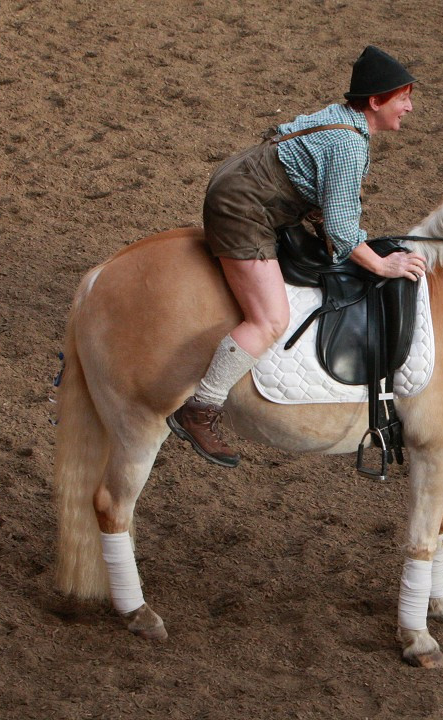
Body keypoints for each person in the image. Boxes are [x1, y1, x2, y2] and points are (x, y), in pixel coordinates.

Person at [167, 45, 428, 468]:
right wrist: (381, 264)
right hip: (243, 206)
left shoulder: (342, 120)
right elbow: (344, 230)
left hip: (242, 180)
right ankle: (200, 409)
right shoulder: (349, 145)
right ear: (376, 102)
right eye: (403, 98)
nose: (410, 107)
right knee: (270, 318)